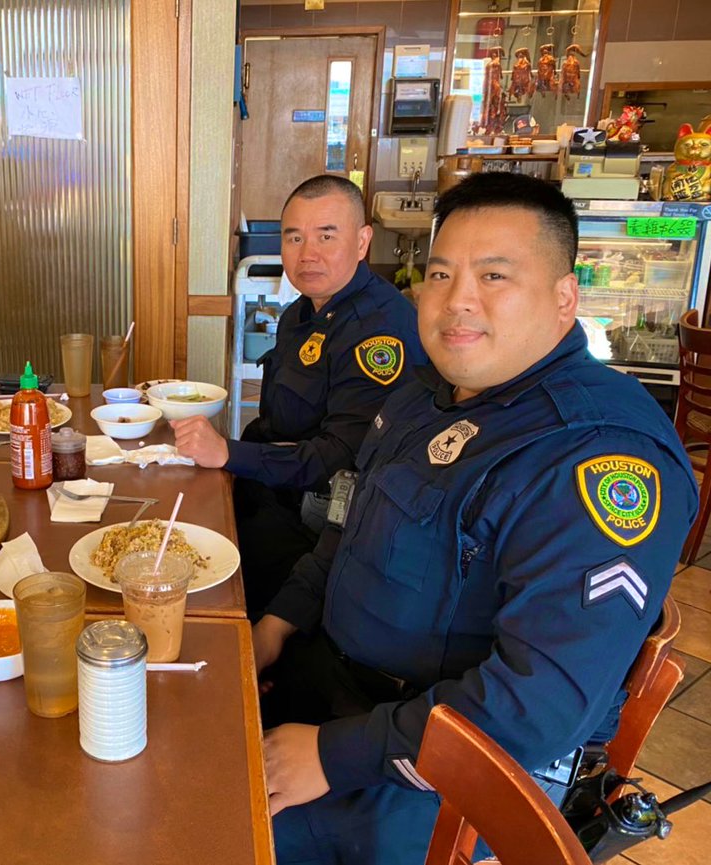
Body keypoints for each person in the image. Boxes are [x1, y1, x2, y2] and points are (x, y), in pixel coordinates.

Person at [252, 173, 697, 865]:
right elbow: (345, 520)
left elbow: (537, 707)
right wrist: (280, 619)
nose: (458, 299)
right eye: (440, 273)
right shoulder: (422, 394)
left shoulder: (597, 451)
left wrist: (334, 755)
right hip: (338, 687)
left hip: (443, 772)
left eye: (494, 276)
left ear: (564, 296)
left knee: (207, 825)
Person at [173, 175, 423, 615]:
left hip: (323, 525)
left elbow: (339, 459)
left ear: (363, 241)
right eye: (294, 237)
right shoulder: (301, 313)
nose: (307, 254)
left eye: (327, 236)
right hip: (275, 488)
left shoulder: (378, 332)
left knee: (199, 592)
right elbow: (273, 424)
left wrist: (229, 455)